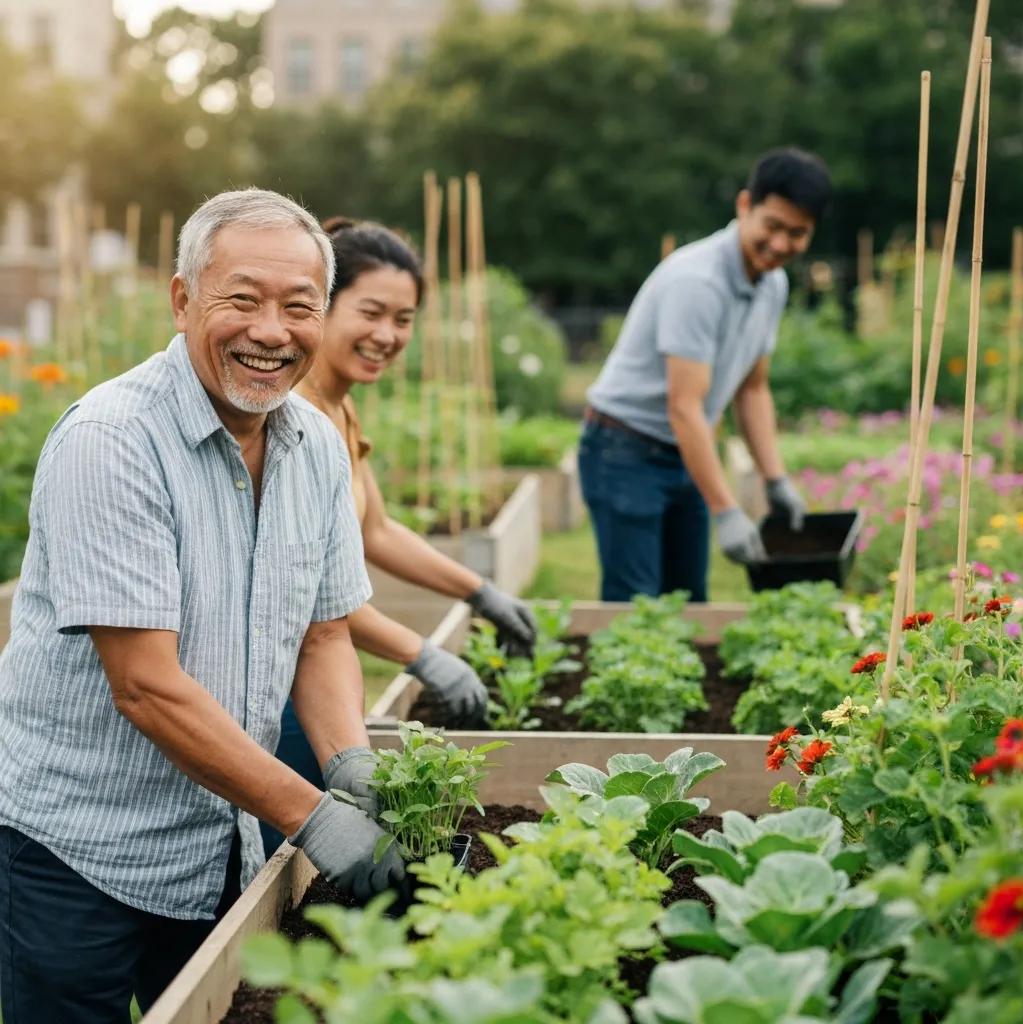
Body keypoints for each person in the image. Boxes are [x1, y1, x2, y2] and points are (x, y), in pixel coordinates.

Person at [0, 189, 404, 1024]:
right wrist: (312, 817)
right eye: (242, 299)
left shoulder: (316, 447)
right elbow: (145, 686)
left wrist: (348, 762)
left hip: (221, 835)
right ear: (183, 300)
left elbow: (324, 634)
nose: (271, 331)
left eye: (299, 307)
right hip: (76, 848)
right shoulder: (113, 439)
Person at [261, 216, 536, 856]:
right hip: (288, 687)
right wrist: (425, 656)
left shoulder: (338, 404)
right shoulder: (296, 418)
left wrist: (479, 592)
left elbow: (377, 530)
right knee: (290, 862)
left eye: (403, 319)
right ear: (322, 305)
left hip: (320, 676)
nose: (387, 334)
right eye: (371, 312)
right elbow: (317, 599)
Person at [580, 148, 832, 602]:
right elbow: (684, 405)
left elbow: (753, 388)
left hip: (686, 449)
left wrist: (775, 479)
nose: (780, 245)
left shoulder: (773, 284)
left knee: (689, 600)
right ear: (744, 206)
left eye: (797, 233)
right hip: (624, 449)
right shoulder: (698, 282)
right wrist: (726, 509)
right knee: (635, 605)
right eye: (772, 226)